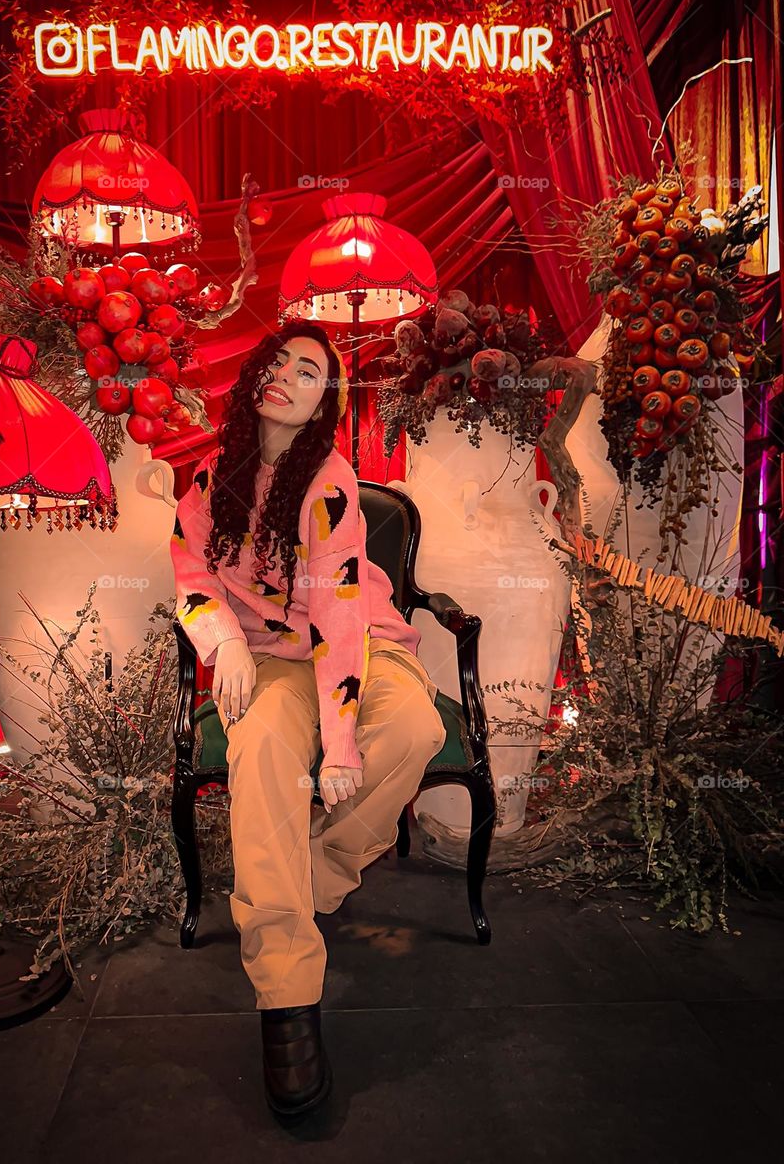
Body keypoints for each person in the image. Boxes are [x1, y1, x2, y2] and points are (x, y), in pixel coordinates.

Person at [170, 318, 445, 1120]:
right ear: (257, 373)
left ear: (325, 402)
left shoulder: (329, 479)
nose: (290, 375)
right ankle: (286, 992)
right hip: (266, 658)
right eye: (280, 361)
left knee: (420, 732)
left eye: (312, 371)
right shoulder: (208, 473)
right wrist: (224, 641)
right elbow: (191, 578)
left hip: (358, 646)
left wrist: (340, 743)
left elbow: (336, 616)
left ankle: (313, 875)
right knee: (258, 754)